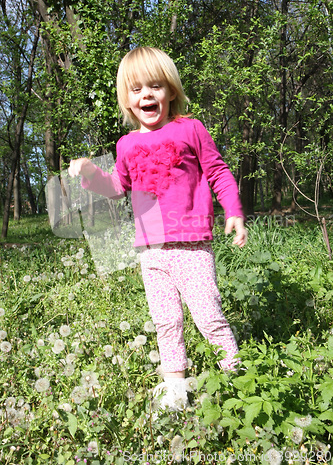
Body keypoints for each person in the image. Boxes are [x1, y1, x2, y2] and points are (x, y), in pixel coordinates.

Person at [68, 46, 247, 411]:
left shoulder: (190, 129)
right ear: (127, 100)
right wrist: (90, 173)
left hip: (191, 245)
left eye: (155, 86)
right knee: (166, 320)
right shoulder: (126, 144)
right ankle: (175, 389)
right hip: (150, 250)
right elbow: (117, 187)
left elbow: (217, 172)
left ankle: (236, 377)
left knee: (208, 314)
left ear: (171, 91)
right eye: (136, 89)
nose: (146, 94)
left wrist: (233, 210)